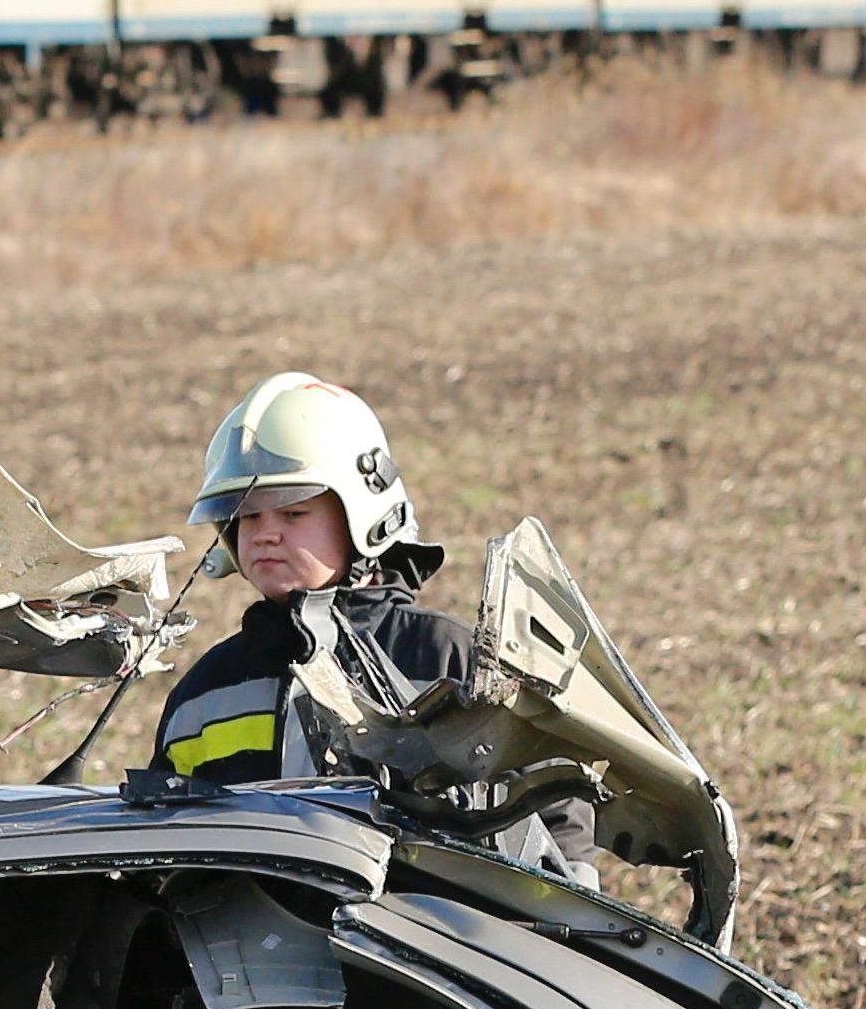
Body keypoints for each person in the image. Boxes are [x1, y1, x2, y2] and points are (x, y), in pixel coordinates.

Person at [146, 372, 588, 871]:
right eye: (247, 517)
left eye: (292, 513)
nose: (265, 534)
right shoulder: (204, 692)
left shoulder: (453, 659)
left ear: (363, 516)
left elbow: (557, 815)